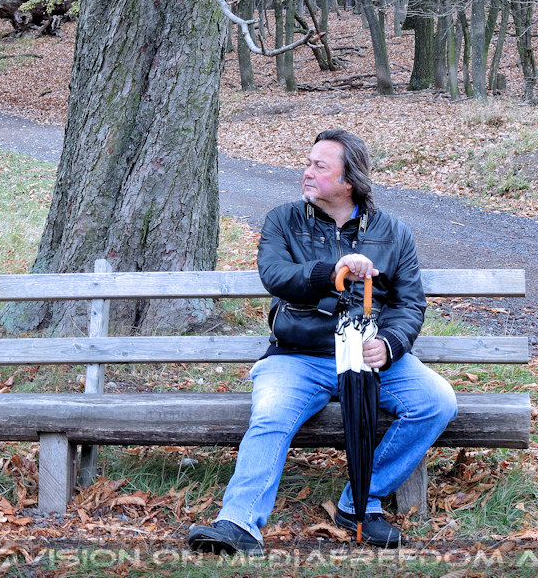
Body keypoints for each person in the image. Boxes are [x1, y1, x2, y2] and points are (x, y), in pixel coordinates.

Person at [187, 129, 458, 557]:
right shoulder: (283, 220)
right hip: (297, 356)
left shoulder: (393, 232)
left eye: (319, 166)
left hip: (367, 356)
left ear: (348, 181)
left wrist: (389, 344)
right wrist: (332, 271)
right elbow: (276, 275)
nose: (307, 172)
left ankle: (359, 503)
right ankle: (238, 523)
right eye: (308, 163)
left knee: (436, 401)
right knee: (271, 414)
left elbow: (409, 303)